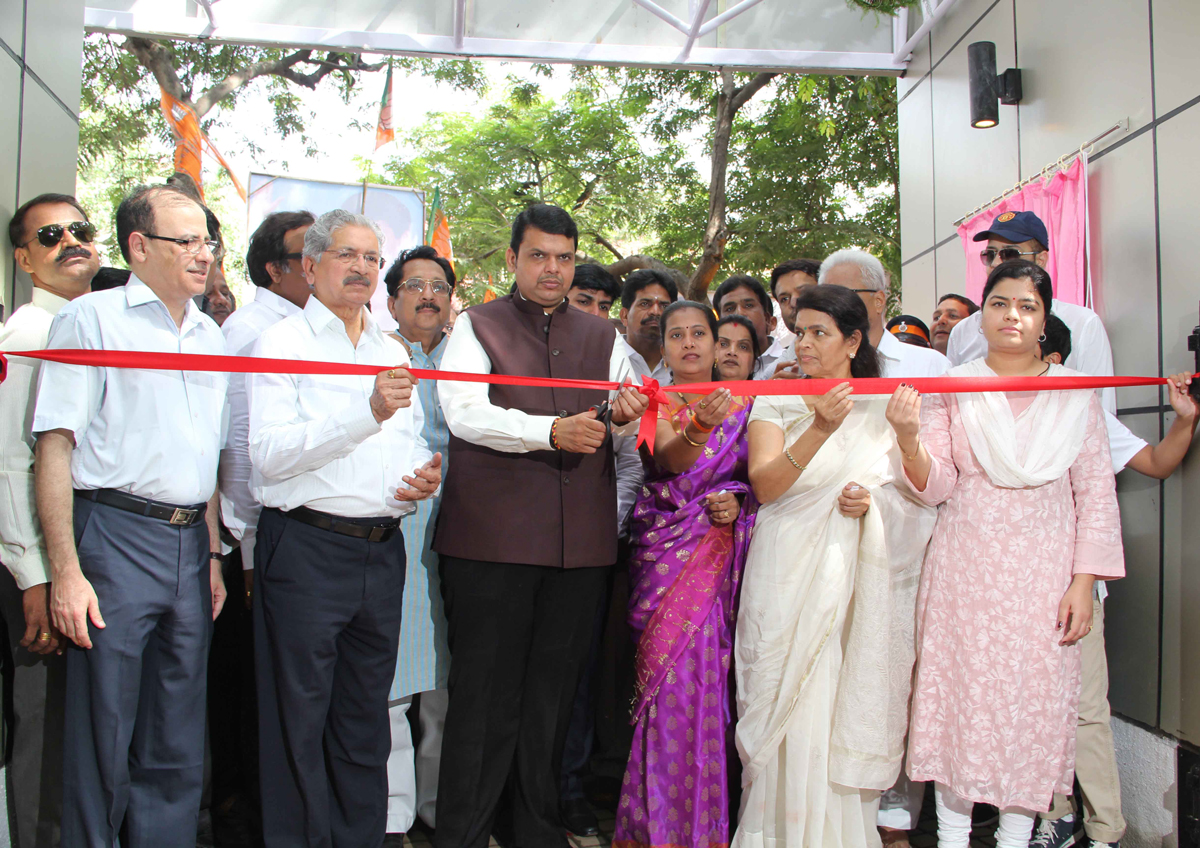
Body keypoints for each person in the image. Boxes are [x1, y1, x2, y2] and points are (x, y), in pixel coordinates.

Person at [433, 203, 648, 848]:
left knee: (551, 702)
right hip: (490, 543)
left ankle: (535, 830)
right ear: (512, 260)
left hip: (578, 547)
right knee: (483, 700)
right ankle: (463, 835)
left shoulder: (605, 338)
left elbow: (626, 425)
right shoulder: (475, 326)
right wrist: (547, 431)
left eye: (563, 257)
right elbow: (464, 412)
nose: (552, 269)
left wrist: (624, 414)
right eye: (538, 256)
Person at [896, 260, 1125, 848]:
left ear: (1044, 318)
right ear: (983, 313)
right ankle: (951, 837)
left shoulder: (1075, 392)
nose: (1012, 316)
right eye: (999, 303)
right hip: (964, 574)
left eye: (1026, 305)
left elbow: (1096, 492)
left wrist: (1083, 583)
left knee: (1035, 710)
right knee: (959, 702)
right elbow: (938, 483)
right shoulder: (951, 386)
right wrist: (907, 439)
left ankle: (1016, 837)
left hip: (1047, 581)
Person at [31, 184, 229, 847]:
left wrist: (211, 557)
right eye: (187, 242)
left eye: (208, 241)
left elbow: (204, 462)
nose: (204, 255)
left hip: (186, 547)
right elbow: (54, 448)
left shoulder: (209, 336)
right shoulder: (90, 322)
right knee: (103, 734)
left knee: (177, 737)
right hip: (113, 539)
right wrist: (66, 570)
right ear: (139, 246)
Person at [248, 209, 443, 848]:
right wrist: (364, 413)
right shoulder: (280, 345)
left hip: (380, 551)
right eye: (345, 256)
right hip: (306, 547)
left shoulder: (391, 350)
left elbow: (408, 438)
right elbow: (269, 457)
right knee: (298, 719)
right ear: (309, 266)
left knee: (364, 716)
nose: (361, 268)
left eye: (370, 257)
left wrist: (421, 474)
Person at [731, 285, 937, 848]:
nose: (805, 344)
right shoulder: (776, 398)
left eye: (820, 333)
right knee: (777, 699)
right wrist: (820, 426)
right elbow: (767, 488)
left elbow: (923, 492)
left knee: (838, 702)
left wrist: (874, 499)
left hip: (850, 575)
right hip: (784, 568)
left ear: (852, 341)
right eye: (800, 332)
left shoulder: (883, 404)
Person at [1033, 319, 1197, 848]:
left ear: (1055, 359)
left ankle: (1105, 830)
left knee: (1084, 710)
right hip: (1004, 589)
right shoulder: (979, 411)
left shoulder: (1088, 414)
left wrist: (1185, 421)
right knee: (1027, 704)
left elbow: (1155, 463)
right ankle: (1053, 814)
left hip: (1077, 589)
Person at [614, 300, 758, 848]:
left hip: (717, 557)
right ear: (665, 346)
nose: (692, 344)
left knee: (708, 688)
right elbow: (666, 464)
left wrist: (738, 501)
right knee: (665, 690)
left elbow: (757, 478)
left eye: (703, 334)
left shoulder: (748, 405)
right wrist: (700, 421)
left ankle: (704, 827)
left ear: (720, 344)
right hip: (664, 556)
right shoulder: (653, 401)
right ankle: (654, 828)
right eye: (678, 335)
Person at [210, 208, 315, 840]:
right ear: (275, 269)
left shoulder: (308, 327)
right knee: (250, 694)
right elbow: (242, 450)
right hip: (252, 540)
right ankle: (242, 817)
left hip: (273, 540)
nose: (320, 262)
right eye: (308, 252)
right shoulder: (254, 332)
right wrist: (248, 552)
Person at [0, 192, 100, 847]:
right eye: (50, 234)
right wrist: (34, 577)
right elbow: (11, 460)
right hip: (36, 574)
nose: (70, 240)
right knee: (43, 726)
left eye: (80, 228)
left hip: (78, 563)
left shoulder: (87, 325)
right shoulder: (30, 334)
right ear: (25, 259)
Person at [381, 245, 457, 841]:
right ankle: (392, 816)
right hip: (396, 530)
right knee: (392, 682)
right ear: (392, 300)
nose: (428, 295)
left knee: (445, 686)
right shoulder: (374, 356)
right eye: (414, 286)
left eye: (438, 285)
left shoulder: (471, 358)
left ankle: (436, 808)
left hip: (461, 533)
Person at [945, 211, 1115, 413]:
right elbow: (952, 406)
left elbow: (1102, 409)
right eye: (990, 255)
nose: (997, 263)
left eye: (1010, 254)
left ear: (1041, 259)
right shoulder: (962, 332)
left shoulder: (1082, 323)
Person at [819, 249, 949, 380]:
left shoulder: (929, 365)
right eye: (826, 298)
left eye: (846, 294)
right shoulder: (815, 366)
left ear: (879, 301)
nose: (835, 305)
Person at [713, 274, 786, 379]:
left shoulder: (792, 363)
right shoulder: (707, 366)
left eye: (748, 305)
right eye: (729, 309)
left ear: (768, 321)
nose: (739, 313)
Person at [619, 268, 678, 384]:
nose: (655, 312)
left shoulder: (684, 360)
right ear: (624, 316)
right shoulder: (607, 358)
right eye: (645, 304)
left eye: (664, 306)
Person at [767, 258, 821, 378]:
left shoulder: (861, 352)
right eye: (784, 299)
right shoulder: (774, 374)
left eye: (804, 292)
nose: (794, 303)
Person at [716, 313, 760, 381]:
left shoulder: (769, 392)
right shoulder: (693, 390)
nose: (732, 352)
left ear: (753, 365)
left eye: (743, 347)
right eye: (723, 344)